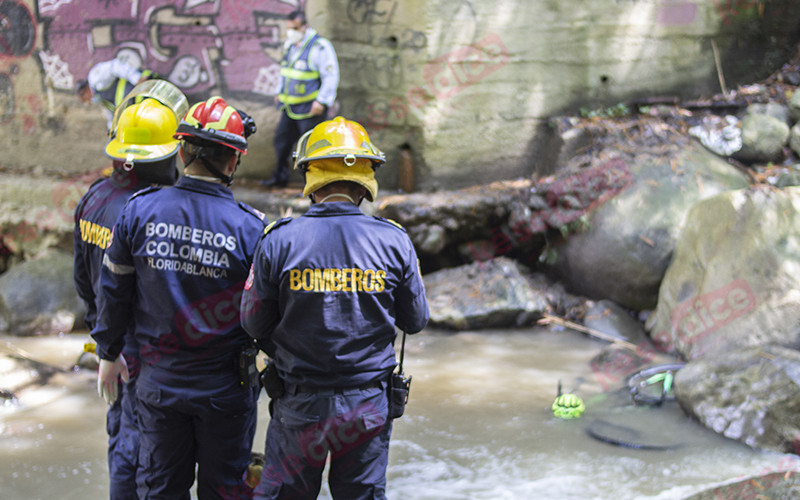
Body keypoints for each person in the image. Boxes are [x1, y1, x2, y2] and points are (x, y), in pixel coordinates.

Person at [241, 116, 429, 499]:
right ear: (366, 178)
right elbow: (416, 320)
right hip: (367, 407)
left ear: (311, 174)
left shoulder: (280, 240)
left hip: (299, 405)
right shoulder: (394, 242)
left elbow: (253, 321)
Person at [91, 96, 266, 499]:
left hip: (158, 386)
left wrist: (107, 353)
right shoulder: (253, 229)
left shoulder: (138, 212)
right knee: (224, 489)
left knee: (160, 487)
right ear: (233, 161)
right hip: (227, 390)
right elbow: (265, 316)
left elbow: (113, 292)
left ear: (182, 150)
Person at [74, 82, 188, 500]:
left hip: (113, 347)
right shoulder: (158, 213)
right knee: (145, 455)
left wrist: (105, 345)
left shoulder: (93, 199)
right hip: (149, 354)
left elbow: (84, 284)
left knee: (121, 443)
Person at [263, 9, 340, 188]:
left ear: (305, 26)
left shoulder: (320, 47)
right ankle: (279, 177)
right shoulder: (291, 45)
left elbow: (331, 76)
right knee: (281, 141)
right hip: (289, 107)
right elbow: (285, 72)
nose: (292, 32)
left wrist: (322, 101)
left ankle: (312, 186)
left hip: (311, 108)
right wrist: (278, 91)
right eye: (290, 28)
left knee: (310, 148)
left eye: (296, 28)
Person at [76, 56, 158, 129]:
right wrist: (112, 132)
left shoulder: (95, 79)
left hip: (146, 90)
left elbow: (115, 66)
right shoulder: (103, 100)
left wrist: (137, 79)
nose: (88, 102)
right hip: (141, 105)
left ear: (84, 92)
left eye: (85, 100)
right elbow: (112, 117)